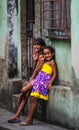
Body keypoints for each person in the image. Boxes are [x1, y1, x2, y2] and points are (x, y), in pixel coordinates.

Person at [7, 38, 46, 123]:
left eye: (38, 45)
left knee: (23, 90)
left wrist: (32, 78)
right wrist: (35, 61)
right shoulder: (37, 55)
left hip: (38, 79)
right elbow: (35, 68)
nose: (36, 46)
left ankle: (20, 101)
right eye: (35, 44)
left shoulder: (42, 56)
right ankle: (17, 116)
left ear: (42, 46)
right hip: (35, 78)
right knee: (26, 94)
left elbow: (37, 70)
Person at [19, 46, 57, 125]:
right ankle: (29, 119)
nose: (47, 55)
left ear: (52, 54)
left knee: (34, 99)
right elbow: (38, 70)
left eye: (48, 53)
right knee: (32, 98)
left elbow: (55, 74)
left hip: (43, 82)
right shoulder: (44, 62)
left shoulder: (52, 62)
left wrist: (50, 83)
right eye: (45, 54)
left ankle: (29, 119)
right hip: (38, 81)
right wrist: (40, 62)